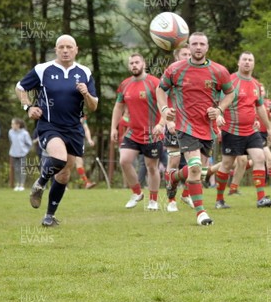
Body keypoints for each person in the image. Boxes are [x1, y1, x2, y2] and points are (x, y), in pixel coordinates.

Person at [16, 34, 98, 226]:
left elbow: (93, 106)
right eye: (61, 47)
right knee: (59, 158)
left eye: (69, 47)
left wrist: (86, 93)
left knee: (64, 174)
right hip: (49, 126)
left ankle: (49, 216)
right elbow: (20, 88)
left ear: (76, 49)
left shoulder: (84, 72)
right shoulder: (42, 69)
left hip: (74, 129)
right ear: (56, 50)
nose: (65, 50)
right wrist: (28, 107)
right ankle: (40, 184)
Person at [157, 32, 234, 226]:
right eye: (194, 44)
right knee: (195, 167)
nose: (198, 47)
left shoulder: (219, 71)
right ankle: (201, 213)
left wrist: (218, 110)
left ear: (207, 47)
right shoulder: (175, 69)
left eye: (202, 44)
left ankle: (173, 177)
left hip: (208, 128)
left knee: (199, 172)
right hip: (185, 126)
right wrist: (165, 109)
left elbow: (230, 93)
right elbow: (160, 89)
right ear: (188, 47)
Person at [211, 51, 271, 209]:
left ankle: (261, 198)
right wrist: (217, 117)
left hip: (251, 131)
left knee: (260, 157)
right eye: (244, 60)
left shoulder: (256, 84)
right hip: (231, 130)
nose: (247, 62)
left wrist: (269, 128)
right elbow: (216, 100)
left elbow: (260, 106)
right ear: (238, 63)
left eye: (250, 60)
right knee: (227, 164)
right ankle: (219, 200)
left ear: (253, 64)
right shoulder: (230, 81)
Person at [110, 53, 163, 211]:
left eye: (137, 62)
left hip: (152, 132)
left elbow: (164, 104)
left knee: (151, 167)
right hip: (133, 132)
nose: (134, 65)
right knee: (124, 160)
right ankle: (137, 193)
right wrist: (113, 127)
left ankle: (153, 200)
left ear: (143, 64)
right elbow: (118, 107)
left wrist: (161, 124)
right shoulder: (125, 84)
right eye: (131, 63)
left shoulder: (154, 83)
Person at [163, 46, 193, 212]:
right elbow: (162, 96)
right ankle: (171, 200)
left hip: (193, 124)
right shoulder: (171, 73)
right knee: (173, 161)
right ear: (176, 57)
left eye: (189, 54)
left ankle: (186, 193)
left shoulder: (196, 73)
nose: (188, 57)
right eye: (184, 54)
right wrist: (168, 121)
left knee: (196, 164)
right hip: (175, 122)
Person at [9, 118, 32, 191]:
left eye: (13, 124)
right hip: (13, 153)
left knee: (22, 169)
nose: (12, 125)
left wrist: (25, 151)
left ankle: (22, 185)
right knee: (16, 169)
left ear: (18, 125)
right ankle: (17, 184)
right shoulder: (10, 132)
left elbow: (29, 144)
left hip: (22, 154)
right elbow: (11, 141)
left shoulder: (25, 133)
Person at [74, 116, 97, 189]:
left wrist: (89, 139)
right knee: (64, 163)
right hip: (66, 139)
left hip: (77, 141)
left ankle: (86, 183)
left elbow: (86, 128)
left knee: (79, 162)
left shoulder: (82, 116)